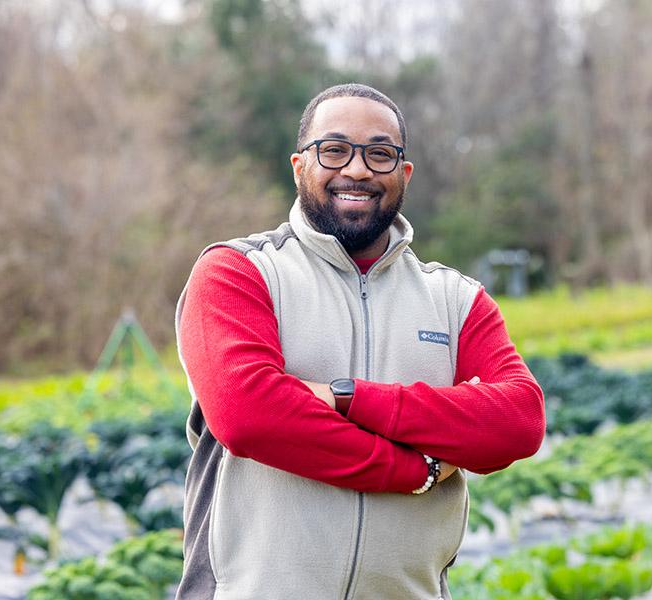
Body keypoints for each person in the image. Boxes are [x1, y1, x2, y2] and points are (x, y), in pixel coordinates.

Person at [174, 83, 545, 600]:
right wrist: (412, 470)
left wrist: (347, 397)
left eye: (379, 154)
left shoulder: (456, 299)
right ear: (300, 164)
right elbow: (248, 414)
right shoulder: (238, 272)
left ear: (404, 174)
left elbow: (518, 421)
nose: (357, 169)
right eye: (334, 149)